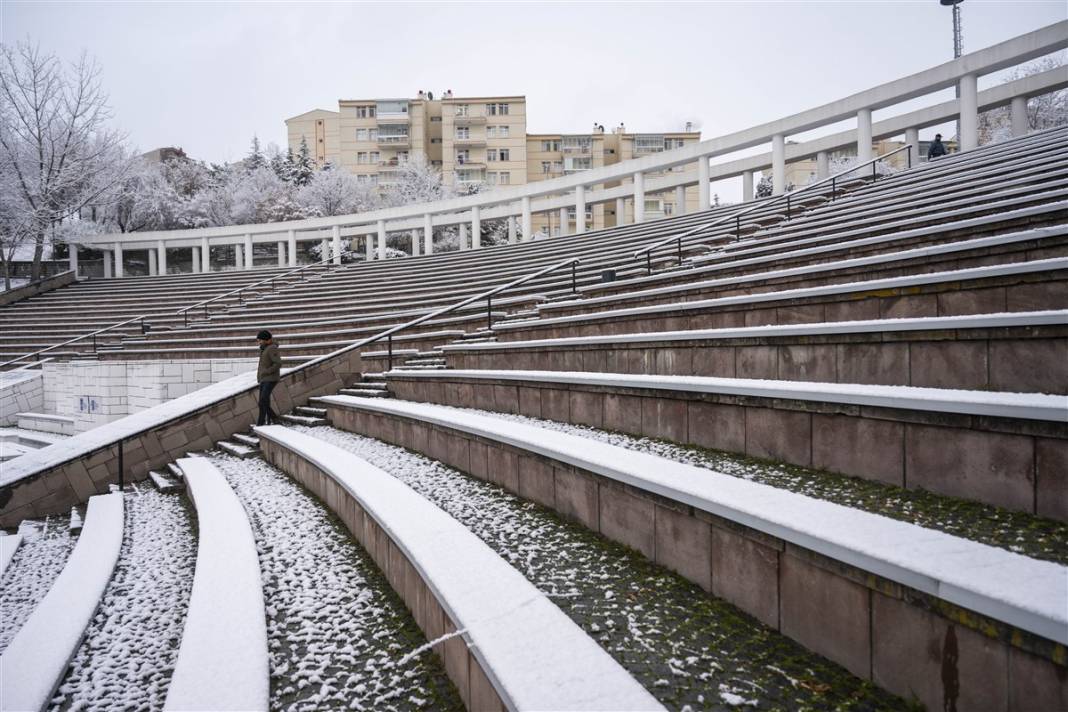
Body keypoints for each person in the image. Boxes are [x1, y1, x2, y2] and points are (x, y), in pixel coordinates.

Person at [256, 329, 281, 426]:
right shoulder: (264, 349)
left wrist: (267, 372)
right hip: (264, 378)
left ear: (267, 340)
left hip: (270, 379)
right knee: (262, 402)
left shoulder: (272, 348)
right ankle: (261, 423)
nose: (258, 342)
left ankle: (273, 418)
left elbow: (278, 363)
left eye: (260, 340)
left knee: (263, 401)